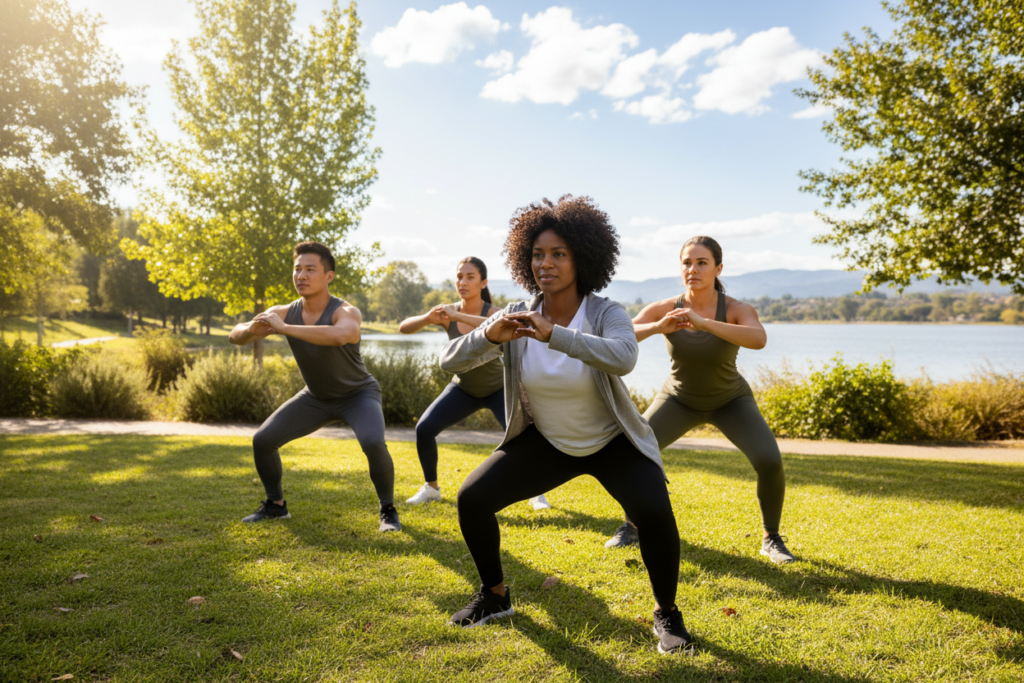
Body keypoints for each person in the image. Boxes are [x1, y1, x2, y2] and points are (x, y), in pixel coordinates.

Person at [440, 195, 694, 655]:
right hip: (548, 442)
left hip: (612, 442)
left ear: (582, 258)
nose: (546, 264)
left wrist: (553, 333)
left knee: (655, 511)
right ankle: (495, 597)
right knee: (472, 499)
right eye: (538, 254)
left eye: (559, 254)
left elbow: (625, 356)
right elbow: (448, 360)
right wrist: (488, 333)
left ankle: (667, 614)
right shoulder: (514, 313)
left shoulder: (604, 312)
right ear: (525, 259)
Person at [603, 236, 793, 564]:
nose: (693, 269)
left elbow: (758, 339)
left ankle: (771, 538)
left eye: (702, 262)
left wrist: (706, 323)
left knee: (770, 461)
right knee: (632, 452)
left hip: (730, 400)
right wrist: (658, 325)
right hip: (678, 398)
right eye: (687, 263)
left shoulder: (735, 309)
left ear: (718, 268)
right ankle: (632, 525)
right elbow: (619, 336)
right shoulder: (666, 307)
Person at [228, 241, 401, 533]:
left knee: (373, 442)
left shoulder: (344, 310)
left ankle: (388, 509)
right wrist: (251, 330)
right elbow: (235, 335)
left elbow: (342, 334)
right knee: (263, 441)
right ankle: (276, 506)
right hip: (316, 397)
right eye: (297, 269)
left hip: (358, 394)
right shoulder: (284, 311)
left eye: (310, 269)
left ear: (328, 276)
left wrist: (284, 329)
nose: (301, 276)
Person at [398, 257, 550, 510]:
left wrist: (457, 314)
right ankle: (431, 488)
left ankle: (537, 493)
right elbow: (404, 328)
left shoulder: (492, 313)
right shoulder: (447, 313)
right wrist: (427, 318)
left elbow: (499, 325)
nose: (463, 282)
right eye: (459, 276)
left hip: (497, 389)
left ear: (483, 282)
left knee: (524, 439)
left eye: (470, 277)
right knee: (424, 429)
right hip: (463, 389)